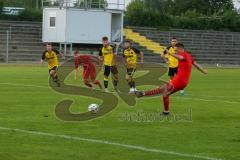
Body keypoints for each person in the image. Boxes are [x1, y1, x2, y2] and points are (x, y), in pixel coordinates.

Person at [135, 43, 208, 115]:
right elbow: (196, 65)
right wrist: (203, 71)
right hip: (183, 81)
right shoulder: (189, 56)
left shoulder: (183, 54)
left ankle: (143, 93)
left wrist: (169, 53)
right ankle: (166, 112)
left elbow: (180, 58)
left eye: (176, 50)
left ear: (181, 49)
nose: (175, 52)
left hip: (180, 80)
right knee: (165, 94)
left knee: (163, 89)